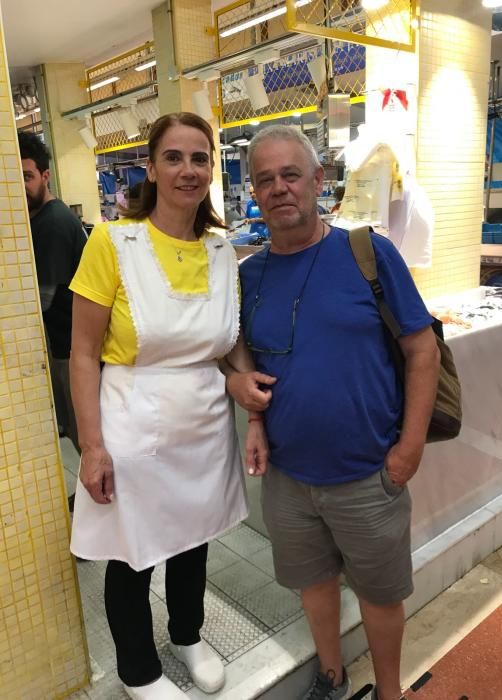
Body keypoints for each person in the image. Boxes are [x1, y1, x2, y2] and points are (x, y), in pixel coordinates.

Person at [68, 112, 271, 700]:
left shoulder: (218, 247)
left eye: (200, 158)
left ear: (212, 168)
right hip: (131, 417)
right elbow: (83, 353)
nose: (188, 170)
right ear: (151, 167)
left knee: (194, 537)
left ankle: (188, 634)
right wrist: (92, 445)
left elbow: (228, 337)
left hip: (204, 423)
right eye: (175, 158)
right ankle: (137, 669)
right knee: (133, 553)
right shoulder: (113, 241)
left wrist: (244, 387)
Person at [236, 126, 441, 700]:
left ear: (318, 182)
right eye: (265, 179)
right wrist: (249, 411)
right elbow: (244, 355)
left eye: (291, 175)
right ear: (254, 191)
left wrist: (410, 449)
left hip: (369, 474)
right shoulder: (248, 275)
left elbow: (421, 349)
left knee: (380, 595)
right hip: (288, 478)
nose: (279, 189)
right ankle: (331, 675)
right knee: (314, 585)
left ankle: (391, 692)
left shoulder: (367, 253)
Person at [18, 132, 86, 461]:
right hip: (65, 344)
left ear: (45, 176)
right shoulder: (37, 219)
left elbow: (41, 300)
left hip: (74, 349)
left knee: (83, 430)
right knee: (77, 429)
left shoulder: (53, 223)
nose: (20, 186)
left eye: (27, 176)